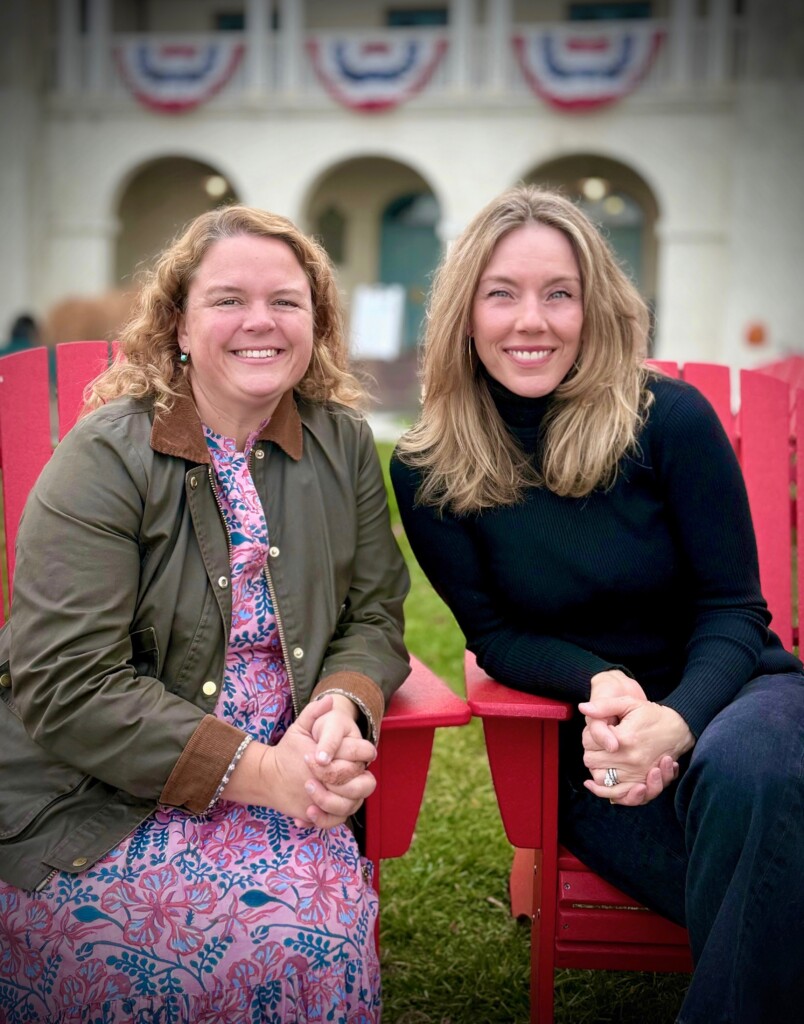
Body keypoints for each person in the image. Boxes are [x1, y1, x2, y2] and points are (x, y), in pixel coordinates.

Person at [391, 184, 804, 1023]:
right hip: (593, 742)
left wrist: (680, 719)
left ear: (594, 308)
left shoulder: (669, 421)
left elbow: (734, 609)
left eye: (559, 294)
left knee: (747, 769)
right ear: (464, 312)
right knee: (767, 883)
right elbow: (497, 635)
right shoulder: (429, 468)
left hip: (738, 690)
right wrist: (606, 686)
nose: (530, 320)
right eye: (501, 293)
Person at [0, 205, 410, 1022]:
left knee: (306, 941)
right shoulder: (107, 457)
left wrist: (341, 702)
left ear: (316, 324)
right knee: (154, 958)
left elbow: (375, 610)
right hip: (99, 797)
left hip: (294, 781)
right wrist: (263, 775)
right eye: (228, 299)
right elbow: (65, 681)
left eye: (286, 302)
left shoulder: (343, 445)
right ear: (178, 326)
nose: (260, 321)